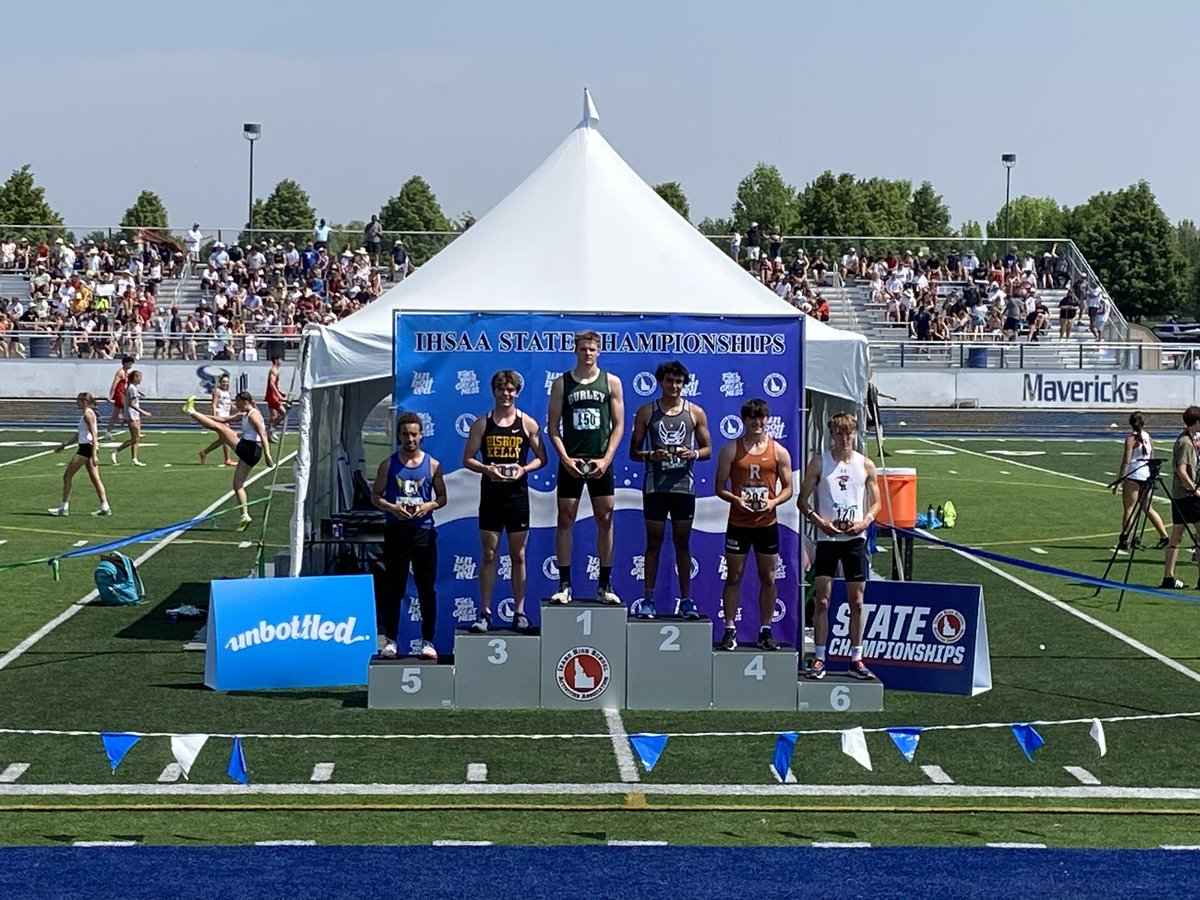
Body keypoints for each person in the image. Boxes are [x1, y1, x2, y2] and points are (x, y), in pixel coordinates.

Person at [462, 370, 547, 633]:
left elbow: (541, 458)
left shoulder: (527, 423)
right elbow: (468, 459)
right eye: (501, 389)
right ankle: (485, 613)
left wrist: (523, 469)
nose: (506, 394)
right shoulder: (482, 423)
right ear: (494, 391)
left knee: (518, 555)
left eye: (510, 389)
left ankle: (519, 612)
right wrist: (488, 469)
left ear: (517, 392)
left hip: (517, 497)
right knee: (489, 554)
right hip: (491, 496)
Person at [798, 411, 881, 680]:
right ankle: (820, 657)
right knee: (822, 600)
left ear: (855, 434)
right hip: (827, 539)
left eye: (849, 433)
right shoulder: (820, 463)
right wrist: (819, 522)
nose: (845, 438)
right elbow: (802, 501)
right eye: (840, 433)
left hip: (855, 539)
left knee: (856, 602)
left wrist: (865, 521)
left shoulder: (865, 465)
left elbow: (876, 502)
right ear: (831, 434)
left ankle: (856, 658)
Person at [627, 360, 711, 619]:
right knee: (654, 543)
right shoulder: (646, 411)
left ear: (684, 384)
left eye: (678, 382)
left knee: (682, 543)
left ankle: (686, 600)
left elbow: (708, 449)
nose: (674, 386)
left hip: (683, 487)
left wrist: (693, 453)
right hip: (655, 487)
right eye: (669, 381)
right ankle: (648, 599)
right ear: (661, 382)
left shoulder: (695, 412)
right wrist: (653, 454)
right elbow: (633, 452)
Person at [547, 331, 625, 605]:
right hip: (572, 460)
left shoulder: (612, 382)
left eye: (592, 349)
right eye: (583, 349)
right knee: (565, 518)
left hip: (599, 461)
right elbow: (553, 428)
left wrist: (606, 459)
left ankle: (605, 584)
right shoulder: (562, 384)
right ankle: (564, 583)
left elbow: (618, 426)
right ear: (576, 351)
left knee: (605, 519)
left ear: (599, 352)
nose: (588, 353)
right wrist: (565, 459)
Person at [714, 398, 793, 651]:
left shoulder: (778, 451)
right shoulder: (731, 450)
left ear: (766, 420)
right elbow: (719, 487)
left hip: (766, 523)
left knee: (768, 577)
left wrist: (773, 503)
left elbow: (789, 488)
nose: (757, 423)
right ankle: (729, 628)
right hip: (739, 522)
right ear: (744, 420)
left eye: (761, 418)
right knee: (734, 576)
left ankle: (765, 629)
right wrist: (736, 500)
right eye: (752, 418)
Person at [371, 412, 447, 660]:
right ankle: (391, 640)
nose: (410, 438)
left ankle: (428, 641)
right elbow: (376, 496)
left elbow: (442, 498)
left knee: (427, 589)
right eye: (405, 434)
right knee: (394, 588)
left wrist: (427, 507)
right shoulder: (388, 464)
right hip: (396, 532)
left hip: (423, 533)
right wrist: (393, 508)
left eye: (414, 434)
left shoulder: (433, 465)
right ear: (399, 436)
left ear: (421, 435)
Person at [183, 390, 275, 531]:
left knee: (219, 429)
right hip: (251, 453)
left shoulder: (253, 415)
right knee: (238, 485)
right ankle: (245, 515)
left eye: (237, 402)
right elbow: (223, 419)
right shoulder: (243, 414)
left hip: (250, 448)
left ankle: (190, 411)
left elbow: (262, 433)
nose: (235, 404)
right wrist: (201, 416)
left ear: (246, 402)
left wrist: (268, 455)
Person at [48, 393, 111, 517]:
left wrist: (94, 454)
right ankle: (105, 507)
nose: (76, 403)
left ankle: (63, 508)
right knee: (95, 479)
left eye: (78, 401)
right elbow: (80, 434)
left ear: (84, 402)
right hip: (87, 447)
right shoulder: (87, 414)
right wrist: (65, 444)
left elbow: (94, 434)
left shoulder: (88, 414)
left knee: (67, 476)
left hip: (86, 449)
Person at [1114, 411, 1169, 551]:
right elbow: (1152, 458)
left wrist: (1119, 480)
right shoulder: (1148, 437)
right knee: (1147, 508)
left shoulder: (1131, 439)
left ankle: (1125, 539)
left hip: (1133, 475)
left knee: (1129, 509)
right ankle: (1164, 536)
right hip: (1146, 476)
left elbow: (1126, 461)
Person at [1161, 406, 1200, 590]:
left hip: (1180, 495)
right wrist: (1194, 489)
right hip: (1187, 496)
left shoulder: (1188, 440)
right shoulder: (1185, 442)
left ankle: (1168, 577)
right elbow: (1182, 471)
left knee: (1176, 536)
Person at [197, 373, 238, 467]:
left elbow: (231, 406)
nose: (226, 383)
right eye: (224, 381)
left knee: (223, 439)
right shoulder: (217, 391)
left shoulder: (227, 393)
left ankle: (204, 452)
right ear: (220, 382)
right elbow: (214, 404)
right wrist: (214, 417)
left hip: (226, 418)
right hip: (221, 418)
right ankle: (227, 459)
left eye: (227, 382)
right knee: (228, 438)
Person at [111, 370, 149, 467]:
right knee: (135, 438)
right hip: (132, 415)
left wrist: (140, 395)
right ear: (135, 378)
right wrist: (143, 412)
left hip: (135, 415)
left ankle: (134, 459)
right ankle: (116, 450)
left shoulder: (133, 388)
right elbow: (132, 404)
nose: (141, 379)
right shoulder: (131, 388)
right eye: (140, 377)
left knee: (136, 439)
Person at [104, 355, 135, 436]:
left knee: (115, 415)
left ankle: (108, 431)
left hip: (123, 393)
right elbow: (114, 384)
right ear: (125, 363)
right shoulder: (120, 372)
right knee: (129, 411)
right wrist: (110, 396)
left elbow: (129, 384)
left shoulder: (127, 373)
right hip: (119, 394)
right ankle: (132, 428)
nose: (130, 366)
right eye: (129, 364)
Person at [265, 353, 287, 441]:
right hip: (273, 397)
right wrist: (278, 396)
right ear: (276, 360)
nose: (281, 362)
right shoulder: (274, 370)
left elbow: (274, 385)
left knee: (274, 416)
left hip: (272, 396)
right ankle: (271, 430)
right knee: (284, 413)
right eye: (280, 360)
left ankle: (270, 431)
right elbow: (271, 384)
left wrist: (280, 393)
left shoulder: (275, 370)